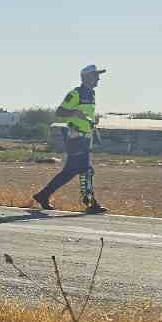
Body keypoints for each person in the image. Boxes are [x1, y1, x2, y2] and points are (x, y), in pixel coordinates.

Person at [33, 64, 108, 214]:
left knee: (69, 172)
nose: (98, 78)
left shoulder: (91, 94)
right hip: (76, 137)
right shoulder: (76, 93)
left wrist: (93, 120)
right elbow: (60, 112)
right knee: (86, 170)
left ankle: (43, 195)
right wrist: (75, 113)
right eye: (95, 75)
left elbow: (85, 114)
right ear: (86, 77)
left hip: (85, 138)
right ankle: (91, 203)